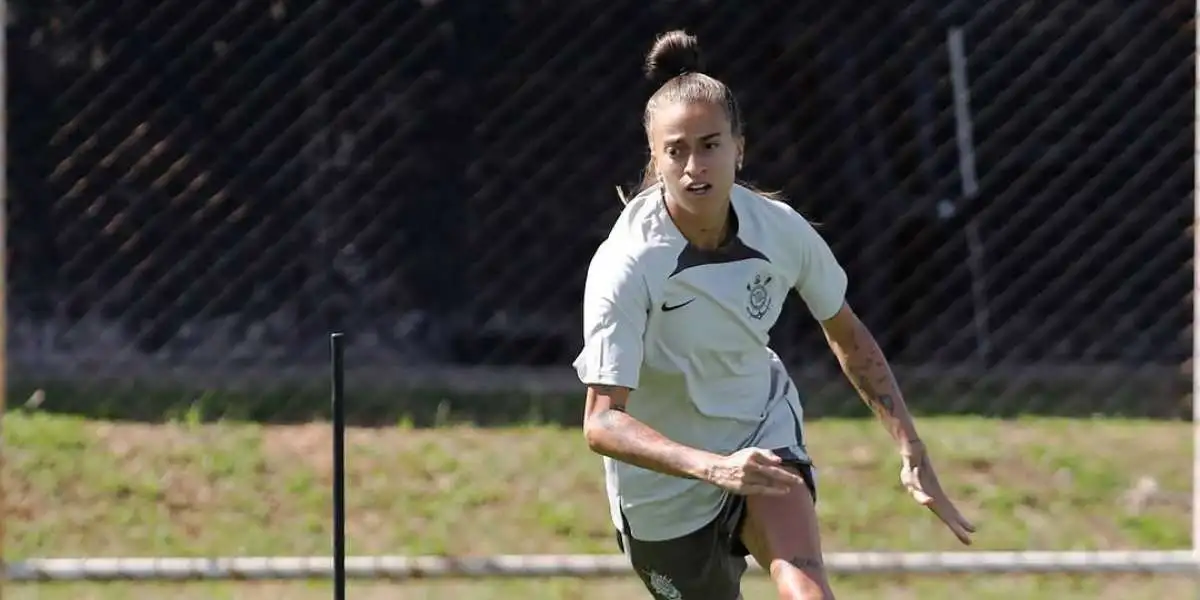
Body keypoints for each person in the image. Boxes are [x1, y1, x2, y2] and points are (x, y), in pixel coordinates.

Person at [572, 30, 976, 600]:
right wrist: (713, 467)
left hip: (761, 433)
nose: (695, 166)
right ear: (654, 157)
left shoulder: (781, 230)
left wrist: (911, 447)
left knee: (810, 594)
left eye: (710, 144)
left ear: (740, 147)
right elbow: (602, 422)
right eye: (676, 149)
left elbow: (847, 334)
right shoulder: (627, 264)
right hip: (662, 491)